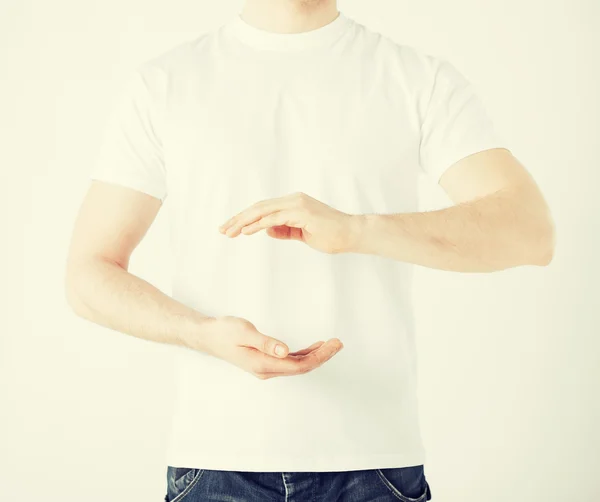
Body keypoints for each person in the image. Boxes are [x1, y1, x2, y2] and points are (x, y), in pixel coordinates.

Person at [65, 0, 555, 500]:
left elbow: (530, 230)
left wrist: (356, 229)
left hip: (376, 466)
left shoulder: (415, 78)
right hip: (215, 463)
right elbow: (87, 275)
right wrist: (200, 333)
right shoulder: (164, 83)